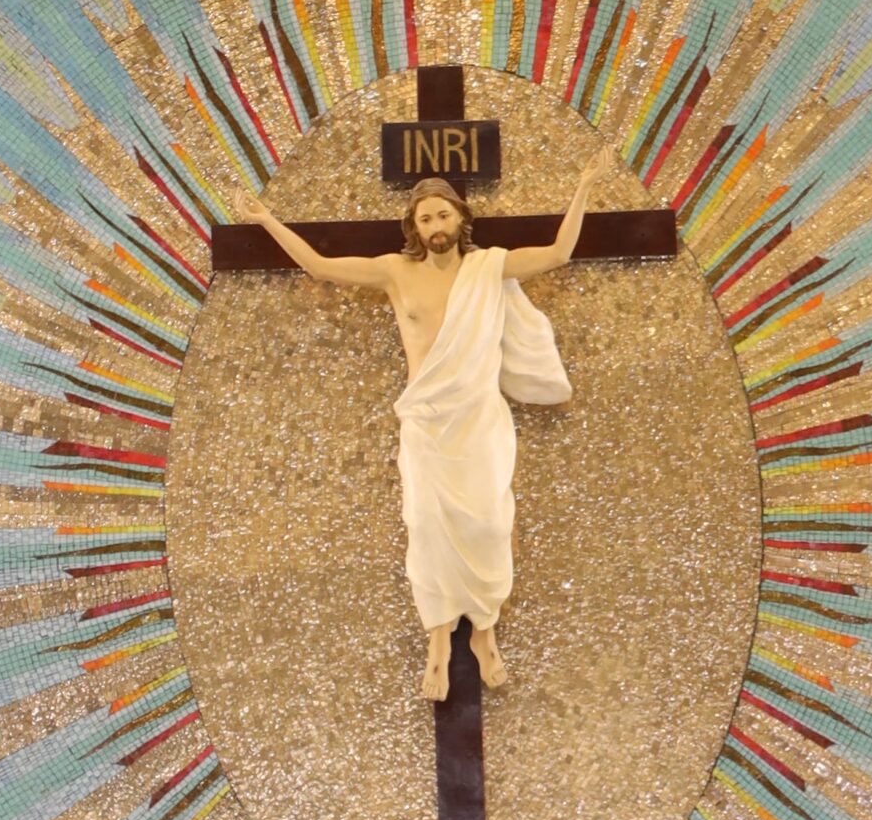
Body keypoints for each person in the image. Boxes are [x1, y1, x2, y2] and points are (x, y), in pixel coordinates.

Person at [233, 151, 611, 700]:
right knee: (428, 525)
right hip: (427, 422)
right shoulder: (395, 271)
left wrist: (585, 184)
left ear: (461, 219)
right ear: (414, 225)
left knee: (489, 524)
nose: (436, 225)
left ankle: (484, 631)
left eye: (444, 215)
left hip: (479, 419)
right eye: (426, 217)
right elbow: (319, 266)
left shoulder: (488, 268)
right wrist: (266, 219)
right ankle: (438, 641)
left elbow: (558, 253)